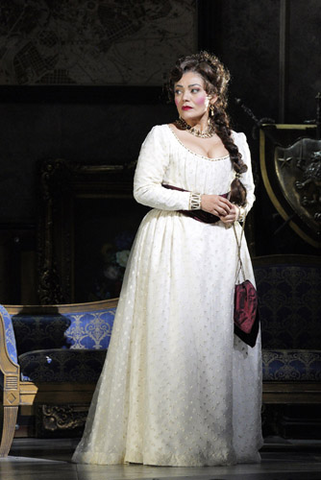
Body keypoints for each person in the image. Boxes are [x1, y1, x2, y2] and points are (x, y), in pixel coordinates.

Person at [72, 51, 263, 467]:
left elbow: (247, 192)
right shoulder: (162, 135)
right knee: (175, 340)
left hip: (220, 251)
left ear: (213, 95)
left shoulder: (238, 142)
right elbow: (144, 190)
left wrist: (236, 210)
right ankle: (164, 441)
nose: (184, 98)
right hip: (173, 246)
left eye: (194, 90)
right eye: (178, 91)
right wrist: (198, 199)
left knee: (214, 344)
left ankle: (215, 441)